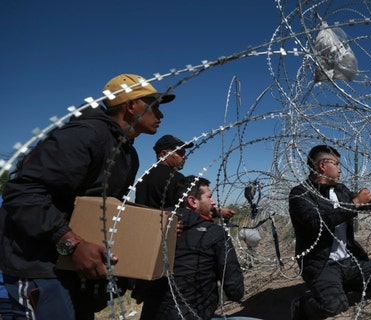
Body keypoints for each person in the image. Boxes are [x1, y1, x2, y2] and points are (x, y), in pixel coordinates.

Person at [0, 73, 176, 319]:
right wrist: (71, 243)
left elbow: (104, 208)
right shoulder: (86, 135)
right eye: (154, 106)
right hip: (39, 265)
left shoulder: (127, 153)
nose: (160, 115)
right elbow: (22, 192)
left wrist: (156, 227)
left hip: (73, 267)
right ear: (131, 105)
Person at [288, 144, 371, 320]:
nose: (340, 170)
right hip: (321, 264)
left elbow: (369, 204)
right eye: (337, 164)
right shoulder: (300, 194)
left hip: (348, 260)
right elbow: (317, 223)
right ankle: (301, 305)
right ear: (322, 166)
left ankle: (340, 287)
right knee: (334, 307)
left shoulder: (341, 190)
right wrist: (355, 203)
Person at [134, 135, 236, 319]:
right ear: (164, 154)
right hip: (178, 247)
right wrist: (216, 212)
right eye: (180, 153)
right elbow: (187, 212)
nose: (184, 156)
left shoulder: (144, 178)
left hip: (150, 246)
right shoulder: (174, 179)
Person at [153, 175, 256, 320]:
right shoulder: (214, 233)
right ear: (192, 201)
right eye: (209, 197)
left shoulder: (155, 228)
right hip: (193, 315)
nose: (213, 202)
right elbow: (235, 290)